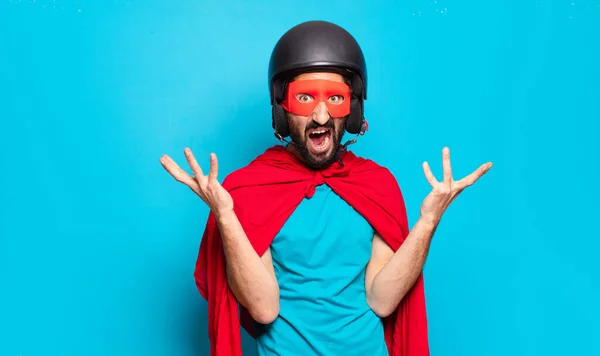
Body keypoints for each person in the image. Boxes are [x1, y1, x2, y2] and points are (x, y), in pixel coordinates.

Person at [160, 20, 492, 356]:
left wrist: (427, 223)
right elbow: (263, 309)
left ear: (353, 108)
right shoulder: (249, 188)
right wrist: (226, 217)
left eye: (335, 98)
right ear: (282, 108)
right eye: (305, 98)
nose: (320, 116)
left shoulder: (376, 185)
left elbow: (382, 300)